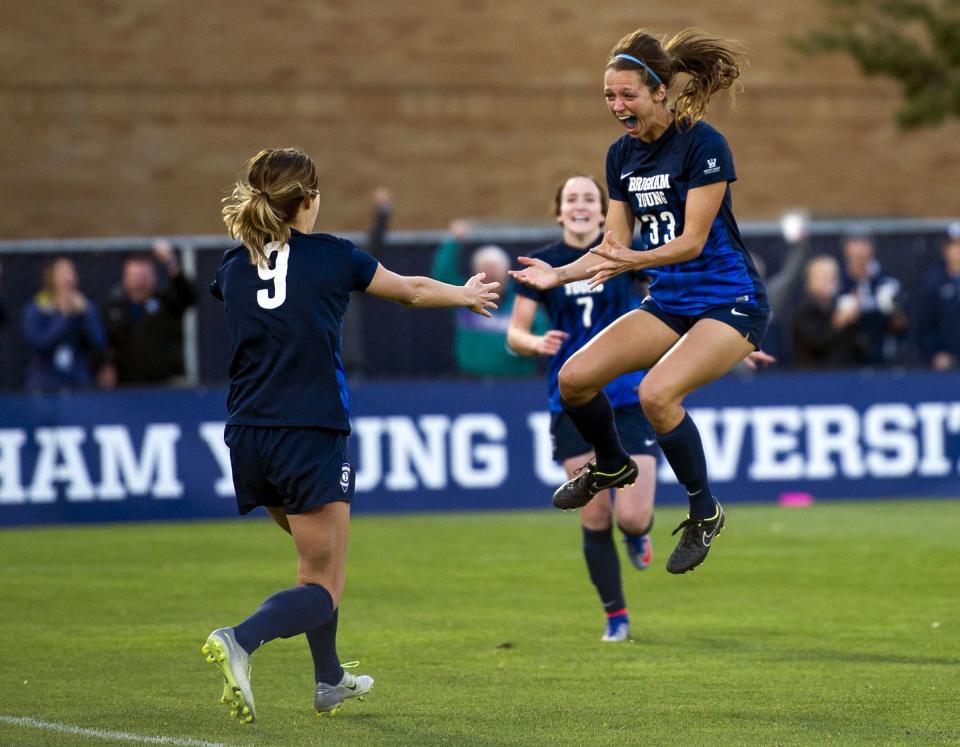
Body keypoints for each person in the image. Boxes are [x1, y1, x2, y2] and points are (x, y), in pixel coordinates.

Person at [202, 147, 498, 723]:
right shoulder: (333, 256)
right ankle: (240, 639)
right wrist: (463, 294)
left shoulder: (232, 268)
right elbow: (410, 289)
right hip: (309, 431)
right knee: (324, 583)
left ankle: (330, 679)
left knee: (314, 567)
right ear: (309, 199)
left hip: (247, 436)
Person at [510, 28, 771, 575]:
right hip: (672, 299)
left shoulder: (703, 143)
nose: (616, 105)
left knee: (656, 394)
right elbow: (612, 246)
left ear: (658, 90)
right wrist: (558, 274)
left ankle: (705, 510)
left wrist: (628, 261)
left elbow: (692, 242)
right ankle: (610, 465)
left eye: (626, 94)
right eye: (608, 96)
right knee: (574, 379)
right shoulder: (620, 156)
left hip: (730, 301)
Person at [508, 174, 656, 642]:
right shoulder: (546, 263)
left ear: (602, 209)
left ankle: (637, 534)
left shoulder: (622, 251)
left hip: (629, 395)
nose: (580, 205)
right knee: (594, 515)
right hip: (571, 400)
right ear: (559, 211)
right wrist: (536, 341)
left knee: (631, 515)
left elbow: (668, 300)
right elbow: (515, 334)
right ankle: (616, 617)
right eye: (571, 198)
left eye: (590, 198)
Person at [432, 223, 547, 377]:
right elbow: (442, 277)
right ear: (475, 273)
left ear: (506, 273)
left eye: (495, 269)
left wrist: (530, 345)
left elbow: (541, 334)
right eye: (485, 270)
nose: (491, 275)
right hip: (470, 380)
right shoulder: (464, 298)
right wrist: (453, 242)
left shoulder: (524, 299)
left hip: (516, 382)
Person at [100, 240, 196, 387]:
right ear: (126, 278)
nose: (140, 283)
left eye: (144, 276)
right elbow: (103, 343)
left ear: (154, 277)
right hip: (127, 387)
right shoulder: (113, 308)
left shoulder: (166, 302)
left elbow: (189, 296)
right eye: (135, 277)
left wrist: (171, 262)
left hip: (167, 383)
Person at [21, 257, 108, 393]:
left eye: (71, 273)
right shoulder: (37, 308)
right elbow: (40, 344)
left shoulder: (85, 307)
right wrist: (63, 317)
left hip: (77, 381)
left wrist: (86, 313)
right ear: (51, 278)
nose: (68, 278)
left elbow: (98, 341)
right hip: (45, 383)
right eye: (63, 273)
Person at [839, 235, 907, 365]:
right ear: (846, 250)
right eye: (854, 244)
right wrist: (843, 318)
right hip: (846, 361)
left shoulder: (888, 282)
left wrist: (893, 310)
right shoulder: (838, 283)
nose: (859, 251)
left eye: (863, 244)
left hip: (883, 357)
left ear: (871, 248)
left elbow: (902, 326)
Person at [792, 255, 863, 367]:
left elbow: (859, 349)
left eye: (832, 276)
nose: (829, 280)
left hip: (846, 375)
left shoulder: (841, 308)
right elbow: (815, 344)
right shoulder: (803, 312)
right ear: (810, 281)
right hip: (813, 377)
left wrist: (855, 320)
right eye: (823, 276)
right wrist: (838, 322)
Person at [917, 227, 960, 370]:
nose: (957, 250)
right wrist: (934, 354)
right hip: (946, 366)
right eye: (954, 245)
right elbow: (924, 325)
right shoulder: (933, 283)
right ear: (945, 249)